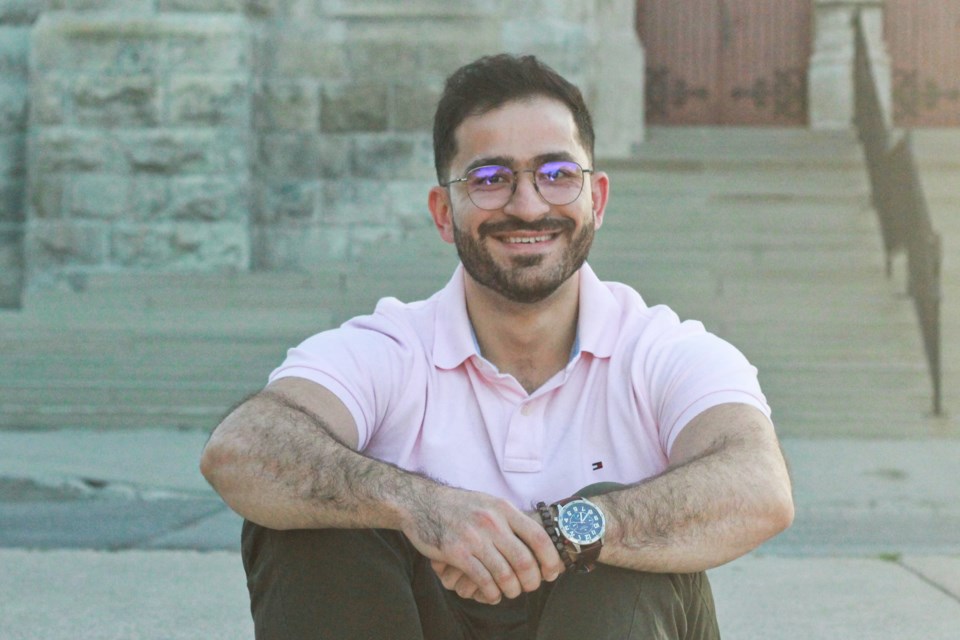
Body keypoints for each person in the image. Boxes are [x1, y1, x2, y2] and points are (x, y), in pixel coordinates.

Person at [200, 53, 794, 639]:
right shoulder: (390, 348)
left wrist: (575, 531)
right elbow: (240, 449)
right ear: (442, 212)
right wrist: (420, 506)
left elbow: (758, 485)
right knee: (311, 517)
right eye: (489, 179)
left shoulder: (661, 350)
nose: (528, 204)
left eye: (557, 175)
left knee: (620, 543)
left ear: (598, 199)